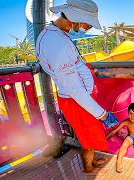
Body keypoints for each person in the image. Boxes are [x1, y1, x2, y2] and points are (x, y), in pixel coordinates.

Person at [35, 0, 118, 173]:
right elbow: (74, 89)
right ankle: (88, 168)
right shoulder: (57, 44)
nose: (87, 27)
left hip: (78, 98)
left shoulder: (54, 34)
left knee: (88, 134)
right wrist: (102, 114)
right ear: (76, 17)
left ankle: (91, 162)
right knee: (88, 137)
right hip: (76, 100)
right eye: (87, 23)